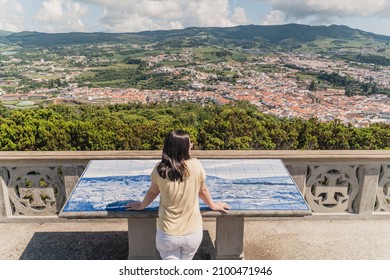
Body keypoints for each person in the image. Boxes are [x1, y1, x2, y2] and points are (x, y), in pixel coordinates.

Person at [126, 129, 230, 260]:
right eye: (190, 143)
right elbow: (202, 191)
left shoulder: (161, 169)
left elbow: (153, 192)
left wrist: (142, 205)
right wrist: (213, 205)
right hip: (193, 232)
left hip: (168, 233)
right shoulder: (196, 165)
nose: (191, 145)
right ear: (184, 147)